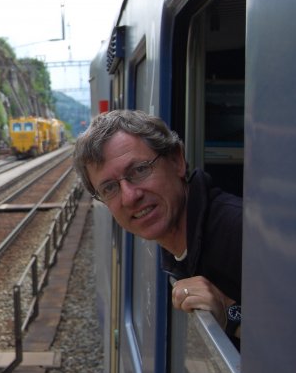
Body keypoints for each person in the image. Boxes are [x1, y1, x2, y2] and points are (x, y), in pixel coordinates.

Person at [73, 109, 242, 346]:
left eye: (139, 170)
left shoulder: (242, 234)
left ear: (176, 161)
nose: (129, 197)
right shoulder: (178, 241)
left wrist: (230, 313)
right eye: (109, 188)